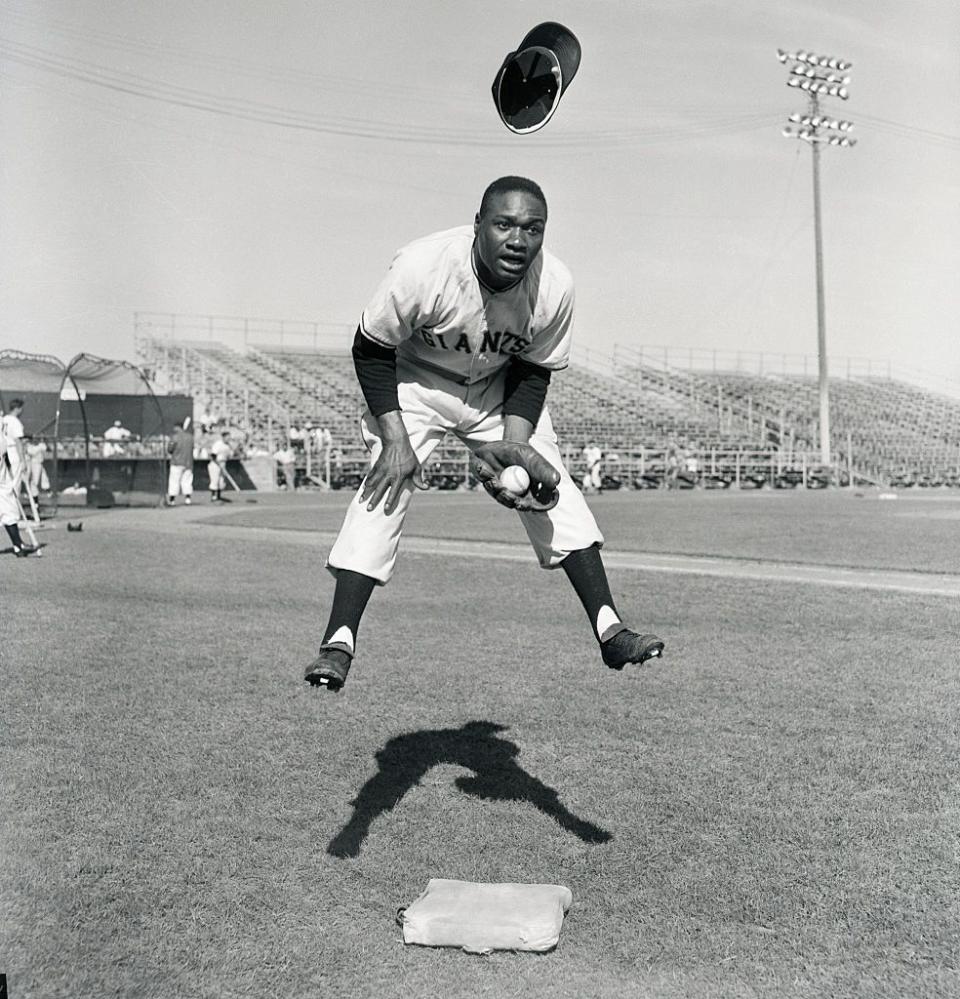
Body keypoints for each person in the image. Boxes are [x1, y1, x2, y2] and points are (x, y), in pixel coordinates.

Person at [304, 175, 665, 691]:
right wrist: (396, 439)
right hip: (415, 381)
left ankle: (611, 630)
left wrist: (516, 447)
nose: (518, 240)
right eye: (504, 225)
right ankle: (338, 641)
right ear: (478, 226)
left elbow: (533, 369)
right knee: (388, 483)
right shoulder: (422, 266)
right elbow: (371, 347)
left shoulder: (555, 284)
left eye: (533, 228)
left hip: (497, 387)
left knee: (549, 480)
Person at [0, 406, 37, 557]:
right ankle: (17, 545)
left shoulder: (2, 421)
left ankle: (17, 545)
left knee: (8, 503)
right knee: (7, 503)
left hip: (3, 465)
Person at [166, 417, 195, 505]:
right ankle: (188, 499)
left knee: (174, 481)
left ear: (178, 427)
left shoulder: (174, 437)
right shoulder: (190, 437)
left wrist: (171, 451)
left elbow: (170, 449)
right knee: (187, 481)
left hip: (176, 462)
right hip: (188, 462)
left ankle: (172, 500)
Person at [207, 429, 233, 502]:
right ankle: (213, 497)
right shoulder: (218, 444)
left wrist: (223, 466)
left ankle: (218, 496)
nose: (228, 439)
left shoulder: (228, 446)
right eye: (227, 437)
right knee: (214, 480)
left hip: (223, 463)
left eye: (229, 437)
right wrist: (219, 464)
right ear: (223, 437)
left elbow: (229, 455)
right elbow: (213, 455)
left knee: (221, 481)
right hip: (215, 464)